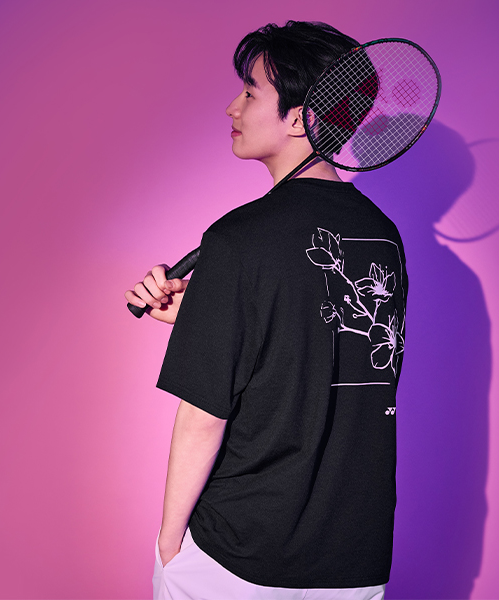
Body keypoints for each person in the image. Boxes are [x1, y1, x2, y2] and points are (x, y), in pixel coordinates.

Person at [125, 21, 408, 600]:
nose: (233, 107)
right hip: (354, 557)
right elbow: (322, 349)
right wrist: (202, 314)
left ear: (300, 118)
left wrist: (169, 545)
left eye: (251, 92)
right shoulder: (384, 236)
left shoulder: (238, 238)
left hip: (235, 557)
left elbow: (203, 415)